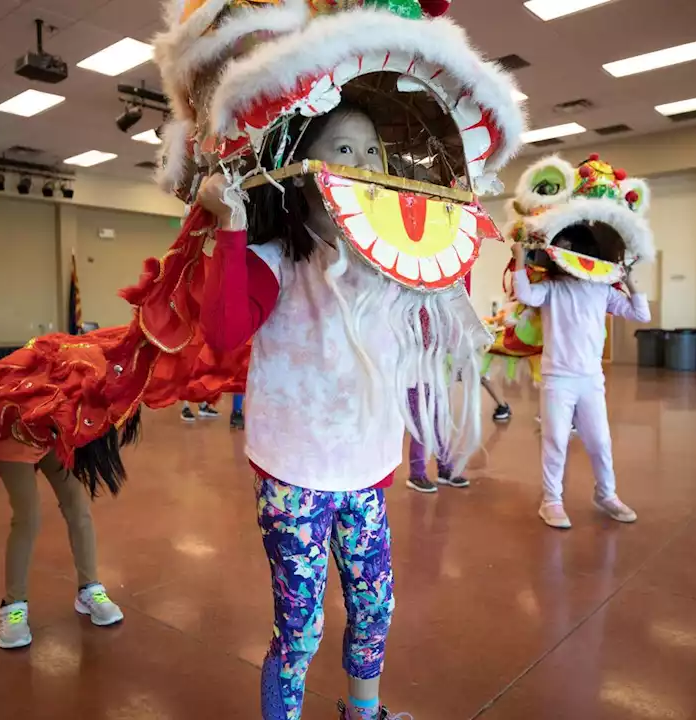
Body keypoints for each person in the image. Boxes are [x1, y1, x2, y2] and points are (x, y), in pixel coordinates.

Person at [199, 104, 487, 720]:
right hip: (293, 472)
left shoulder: (392, 274)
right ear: (302, 170)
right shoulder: (276, 261)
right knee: (299, 626)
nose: (363, 166)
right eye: (344, 149)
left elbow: (430, 335)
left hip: (366, 469)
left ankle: (364, 711)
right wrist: (229, 223)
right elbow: (223, 332)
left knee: (374, 605)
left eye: (372, 153)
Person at [511, 239, 650, 529]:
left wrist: (629, 281)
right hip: (557, 379)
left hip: (590, 379)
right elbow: (524, 293)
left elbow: (641, 314)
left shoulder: (601, 290)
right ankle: (551, 501)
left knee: (600, 441)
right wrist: (519, 257)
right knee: (555, 440)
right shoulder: (552, 289)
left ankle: (606, 494)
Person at [0, 447, 124, 649]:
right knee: (27, 517)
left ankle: (89, 587)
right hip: (11, 436)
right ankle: (13, 605)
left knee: (78, 505)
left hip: (50, 433)